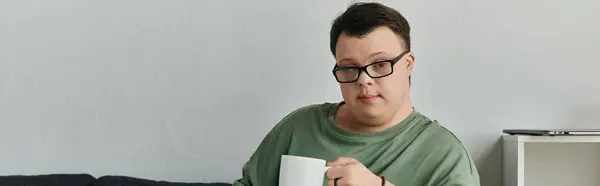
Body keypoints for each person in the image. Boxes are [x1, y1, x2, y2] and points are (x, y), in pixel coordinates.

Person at [232, 2, 480, 186]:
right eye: (350, 67)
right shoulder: (298, 129)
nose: (364, 80)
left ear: (408, 64)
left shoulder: (445, 156)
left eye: (380, 64)